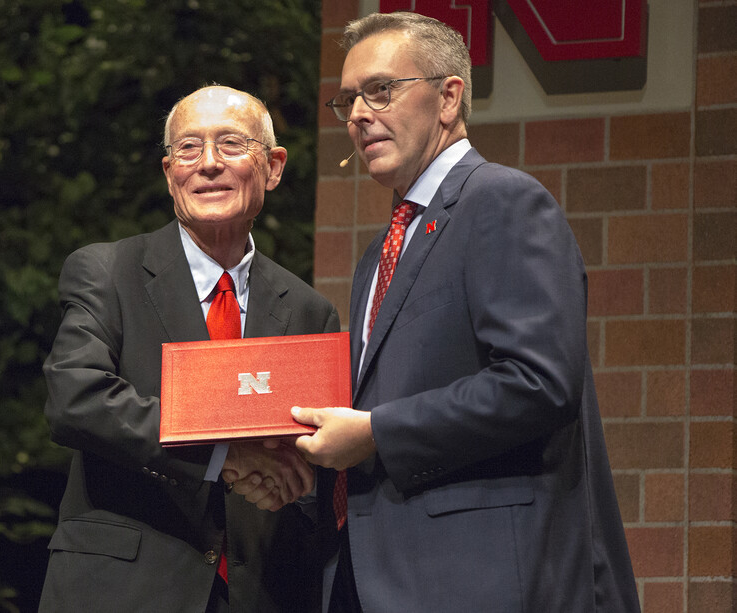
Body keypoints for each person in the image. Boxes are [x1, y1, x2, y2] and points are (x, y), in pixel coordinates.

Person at [289, 11, 640, 612]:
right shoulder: (379, 254)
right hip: (380, 576)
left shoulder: (502, 201)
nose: (358, 115)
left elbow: (538, 383)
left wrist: (376, 433)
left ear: (448, 97)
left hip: (487, 579)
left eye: (380, 90)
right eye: (348, 100)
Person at [40, 85, 339, 612]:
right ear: (168, 173)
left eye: (230, 144)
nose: (207, 164)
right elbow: (76, 400)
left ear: (273, 167)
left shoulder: (309, 312)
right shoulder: (107, 273)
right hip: (123, 591)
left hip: (261, 593)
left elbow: (313, 471)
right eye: (188, 149)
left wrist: (297, 481)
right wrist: (221, 456)